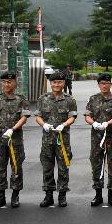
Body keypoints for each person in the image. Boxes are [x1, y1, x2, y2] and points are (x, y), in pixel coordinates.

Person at [0, 70, 30, 209]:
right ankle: (1, 197)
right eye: (4, 82)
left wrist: (13, 129)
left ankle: (15, 195)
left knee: (16, 167)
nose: (7, 84)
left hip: (15, 140)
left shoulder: (21, 99)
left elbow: (24, 117)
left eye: (9, 82)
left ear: (15, 83)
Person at [34, 71, 78, 208]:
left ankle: (62, 195)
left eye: (59, 82)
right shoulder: (43, 98)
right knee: (47, 167)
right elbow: (38, 116)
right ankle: (48, 195)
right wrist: (44, 124)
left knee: (63, 168)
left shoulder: (69, 99)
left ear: (64, 83)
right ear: (50, 83)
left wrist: (64, 125)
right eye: (54, 82)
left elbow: (72, 116)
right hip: (47, 140)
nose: (57, 85)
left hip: (63, 140)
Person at [84, 73, 112, 206]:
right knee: (96, 164)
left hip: (111, 137)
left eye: (107, 83)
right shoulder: (93, 98)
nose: (105, 85)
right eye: (102, 83)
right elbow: (87, 116)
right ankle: (98, 194)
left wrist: (108, 123)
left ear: (111, 84)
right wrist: (93, 123)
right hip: (96, 137)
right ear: (99, 85)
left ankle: (111, 194)